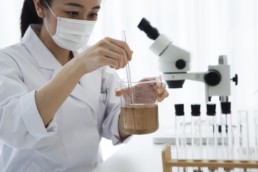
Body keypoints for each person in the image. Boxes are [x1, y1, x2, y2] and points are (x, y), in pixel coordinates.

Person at [0, 0, 169, 171]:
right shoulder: (8, 61)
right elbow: (16, 127)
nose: (83, 23)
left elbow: (115, 125)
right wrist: (78, 66)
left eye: (93, 14)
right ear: (40, 6)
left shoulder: (94, 62)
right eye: (72, 13)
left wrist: (135, 100)